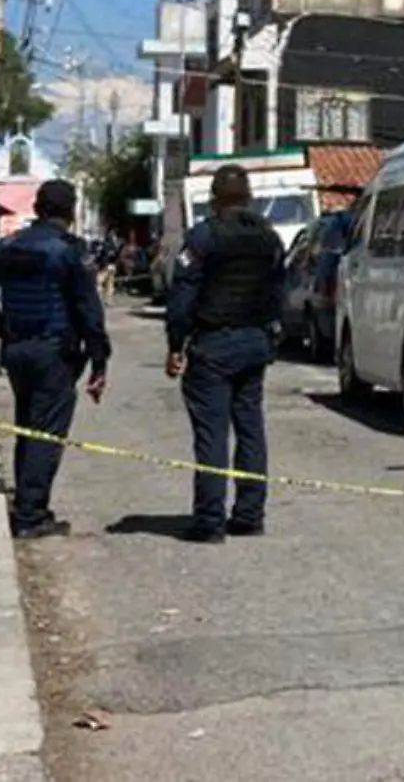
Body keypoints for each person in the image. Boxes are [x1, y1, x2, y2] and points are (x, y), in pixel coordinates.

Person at [0, 179, 110, 539]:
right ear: (71, 212)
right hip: (54, 352)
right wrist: (99, 360)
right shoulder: (69, 251)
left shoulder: (11, 246)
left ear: (39, 208)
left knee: (27, 426)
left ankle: (28, 505)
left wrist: (2, 329)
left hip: (17, 351)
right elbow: (88, 309)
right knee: (46, 432)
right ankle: (31, 515)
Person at [165, 164, 285, 543]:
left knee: (212, 434)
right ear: (247, 198)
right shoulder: (269, 238)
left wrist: (174, 345)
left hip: (214, 344)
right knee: (251, 429)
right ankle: (249, 514)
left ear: (214, 199)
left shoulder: (203, 237)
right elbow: (279, 293)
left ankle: (210, 521)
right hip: (255, 342)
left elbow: (182, 296)